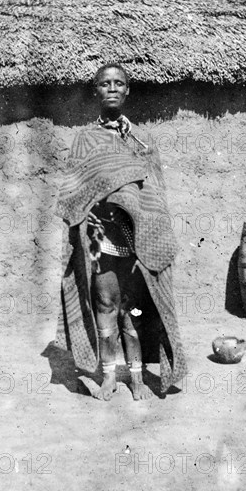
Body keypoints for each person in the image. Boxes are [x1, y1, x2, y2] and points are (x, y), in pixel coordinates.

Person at [55, 63, 187, 400]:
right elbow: (74, 192)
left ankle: (138, 378)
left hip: (137, 238)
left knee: (134, 311)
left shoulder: (142, 139)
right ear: (95, 90)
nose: (112, 88)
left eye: (119, 83)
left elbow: (155, 191)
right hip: (100, 240)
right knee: (106, 305)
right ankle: (110, 377)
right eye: (104, 83)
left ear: (127, 91)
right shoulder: (85, 139)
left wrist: (147, 221)